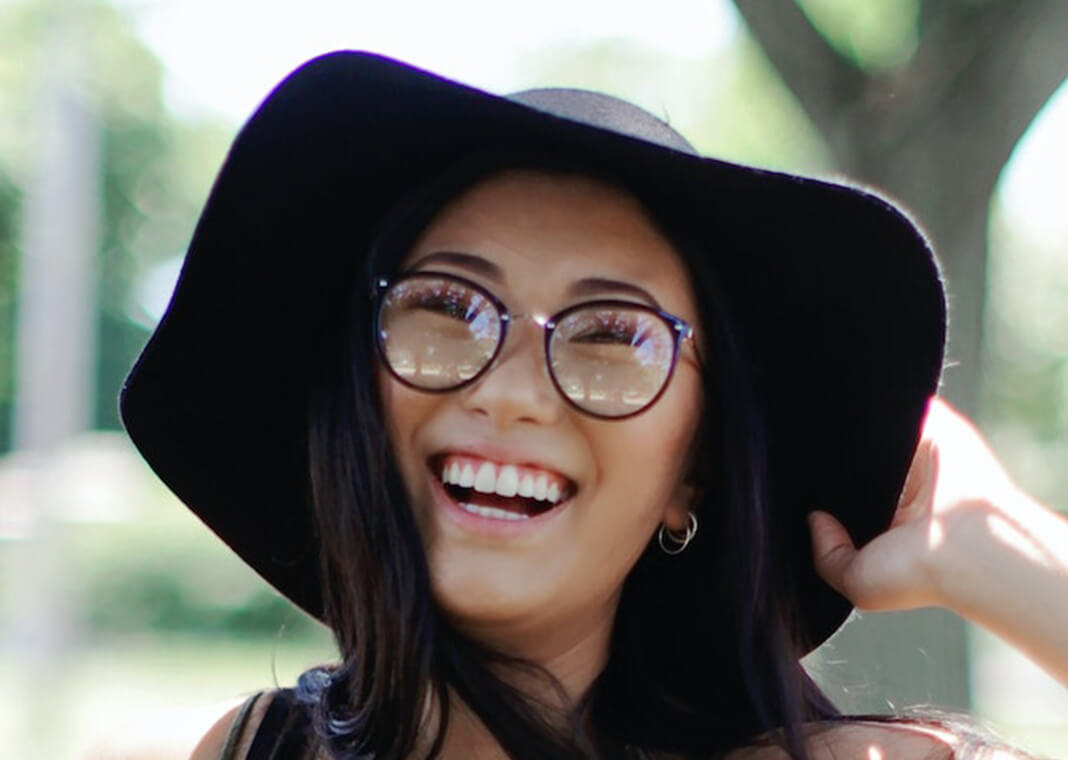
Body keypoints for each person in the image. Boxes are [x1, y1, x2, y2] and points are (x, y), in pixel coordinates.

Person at [107, 51, 1068, 760]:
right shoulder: (261, 750)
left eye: (612, 335)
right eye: (445, 307)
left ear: (690, 473)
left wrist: (1006, 555)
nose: (514, 391)